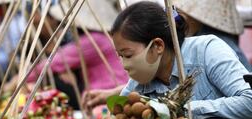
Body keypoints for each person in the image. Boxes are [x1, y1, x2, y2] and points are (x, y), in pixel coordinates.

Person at [29, 1, 252, 119]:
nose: (124, 65)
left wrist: (184, 110)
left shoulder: (206, 50)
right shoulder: (139, 85)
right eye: (120, 56)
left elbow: (249, 100)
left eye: (128, 55)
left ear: (157, 46)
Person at [83, 0, 252, 110]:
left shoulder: (210, 47)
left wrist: (180, 109)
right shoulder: (151, 68)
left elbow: (247, 98)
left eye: (127, 55)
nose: (176, 16)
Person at [25, 0, 129, 109]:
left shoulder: (93, 41)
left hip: (106, 97)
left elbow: (53, 63)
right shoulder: (103, 38)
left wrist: (20, 79)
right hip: (113, 92)